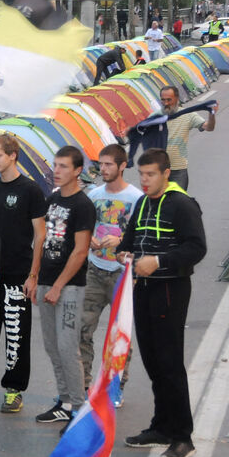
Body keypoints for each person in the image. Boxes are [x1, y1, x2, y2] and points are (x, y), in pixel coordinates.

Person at [116, 148, 207, 457]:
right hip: (142, 289)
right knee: (153, 362)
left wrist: (158, 261)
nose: (144, 180)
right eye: (141, 174)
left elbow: (197, 248)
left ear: (166, 174)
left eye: (150, 174)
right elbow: (130, 242)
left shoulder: (182, 205)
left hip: (170, 288)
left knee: (169, 363)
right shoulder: (142, 203)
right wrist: (123, 254)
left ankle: (183, 436)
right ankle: (161, 426)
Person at [0, 134, 47, 414]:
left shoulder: (30, 190)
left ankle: (14, 389)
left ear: (12, 155)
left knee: (16, 333)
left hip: (17, 273)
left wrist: (33, 275)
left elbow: (40, 234)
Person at [34, 146, 94, 425]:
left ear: (77, 171)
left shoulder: (83, 205)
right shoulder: (53, 199)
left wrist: (58, 286)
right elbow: (42, 240)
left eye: (63, 166)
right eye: (55, 165)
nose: (56, 171)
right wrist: (33, 276)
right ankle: (64, 401)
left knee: (68, 348)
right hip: (46, 279)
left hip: (69, 286)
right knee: (52, 346)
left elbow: (80, 251)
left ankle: (79, 409)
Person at [79, 145, 142, 405]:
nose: (103, 169)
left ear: (122, 165)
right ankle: (82, 386)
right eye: (101, 164)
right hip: (94, 270)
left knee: (119, 335)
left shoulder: (136, 198)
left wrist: (120, 243)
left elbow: (140, 238)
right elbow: (85, 227)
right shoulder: (93, 195)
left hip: (121, 274)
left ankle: (115, 387)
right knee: (81, 330)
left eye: (108, 164)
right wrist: (90, 239)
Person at [160, 85, 216, 190]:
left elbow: (209, 127)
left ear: (177, 99)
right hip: (159, 171)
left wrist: (211, 115)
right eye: (163, 100)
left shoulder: (188, 115)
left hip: (178, 171)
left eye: (169, 100)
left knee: (178, 203)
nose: (166, 103)